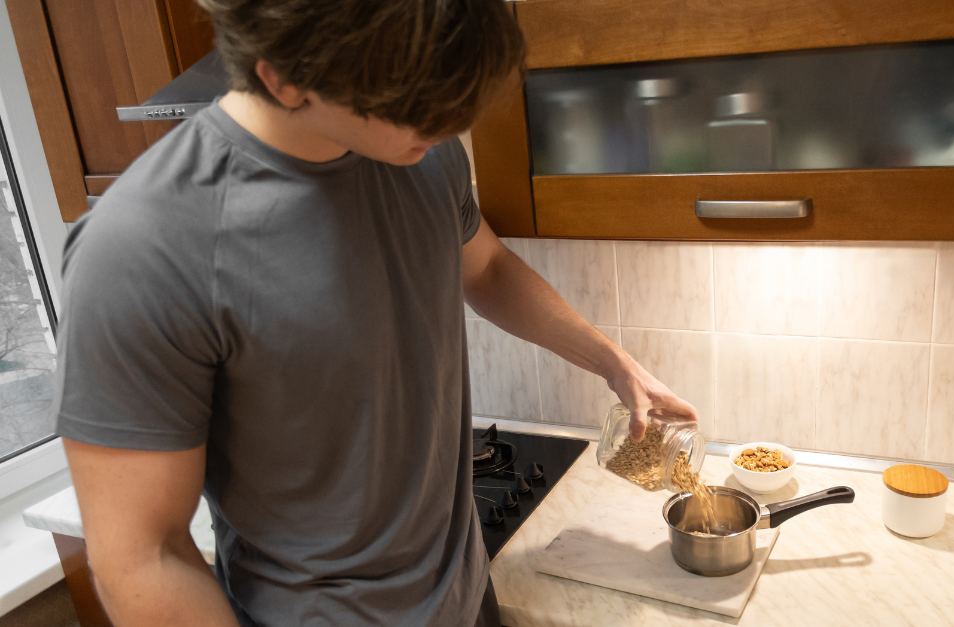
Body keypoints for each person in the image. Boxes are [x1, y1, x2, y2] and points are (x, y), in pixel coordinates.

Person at [52, 1, 698, 625]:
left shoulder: (421, 151)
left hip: (468, 600)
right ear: (284, 74)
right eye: (415, 104)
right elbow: (141, 558)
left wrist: (611, 362)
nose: (449, 126)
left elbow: (489, 267)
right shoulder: (140, 249)